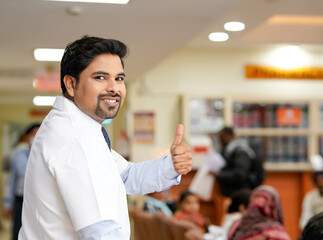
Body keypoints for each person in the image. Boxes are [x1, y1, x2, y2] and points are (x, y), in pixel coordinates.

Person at [18, 36, 192, 240]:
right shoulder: (75, 137)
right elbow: (100, 231)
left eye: (119, 78)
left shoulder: (80, 128)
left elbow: (125, 176)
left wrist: (172, 165)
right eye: (100, 77)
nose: (114, 88)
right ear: (71, 84)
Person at [3, 123, 40, 240]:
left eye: (38, 134)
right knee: (17, 232)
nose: (35, 137)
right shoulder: (18, 156)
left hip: (38, 202)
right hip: (20, 201)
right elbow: (12, 182)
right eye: (33, 134)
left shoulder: (46, 157)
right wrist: (7, 204)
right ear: (27, 137)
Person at [216, 127, 263, 197]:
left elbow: (240, 174)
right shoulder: (229, 151)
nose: (220, 141)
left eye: (222, 137)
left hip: (241, 192)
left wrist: (219, 174)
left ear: (229, 136)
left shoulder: (240, 151)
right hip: (237, 191)